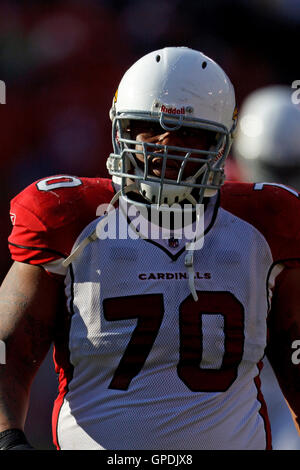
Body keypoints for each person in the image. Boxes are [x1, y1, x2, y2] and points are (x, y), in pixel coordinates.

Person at [0, 46, 300, 451]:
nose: (164, 145)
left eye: (189, 133)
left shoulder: (264, 225)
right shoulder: (68, 219)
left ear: (223, 142)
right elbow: (8, 355)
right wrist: (8, 440)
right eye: (146, 126)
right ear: (120, 128)